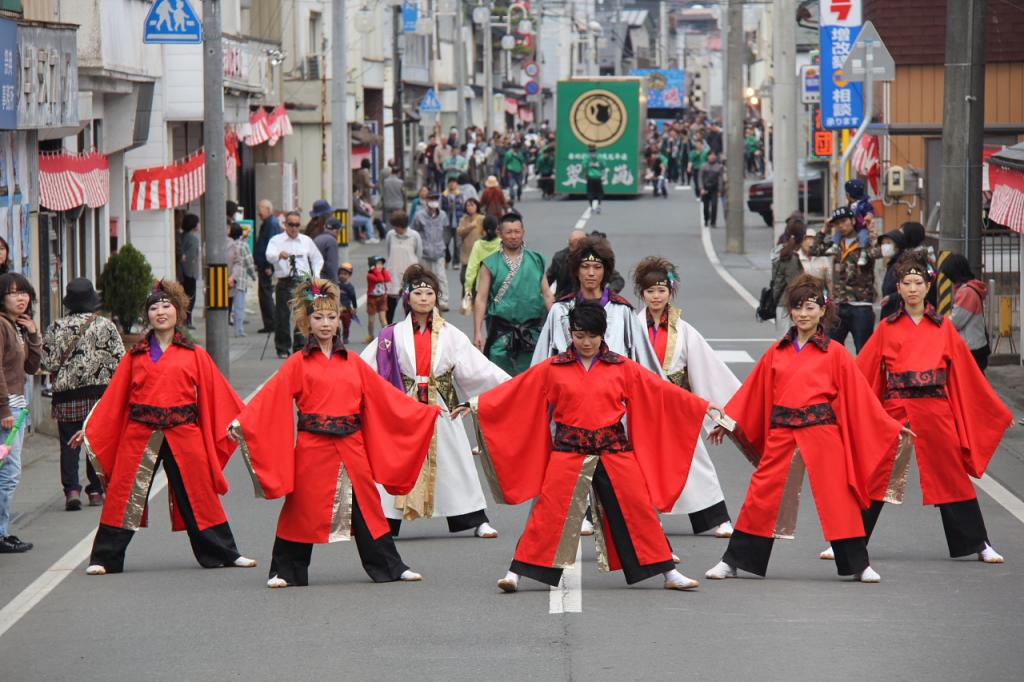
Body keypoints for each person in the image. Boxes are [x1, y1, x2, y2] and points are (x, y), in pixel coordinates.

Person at [476, 302, 719, 593]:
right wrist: (477, 405)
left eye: (592, 336)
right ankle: (515, 572)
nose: (586, 342)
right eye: (579, 335)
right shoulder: (553, 368)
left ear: (603, 334)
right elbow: (516, 391)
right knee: (549, 511)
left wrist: (701, 405)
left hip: (613, 447)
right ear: (570, 333)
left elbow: (661, 391)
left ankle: (669, 572)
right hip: (569, 448)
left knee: (637, 507)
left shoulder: (622, 366)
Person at [231, 278, 437, 588]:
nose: (325, 324)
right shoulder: (297, 364)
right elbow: (270, 398)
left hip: (351, 444)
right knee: (301, 506)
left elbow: (385, 398)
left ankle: (390, 567)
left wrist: (423, 412)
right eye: (318, 317)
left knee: (367, 505)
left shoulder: (353, 362)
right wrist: (242, 423)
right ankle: (286, 570)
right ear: (306, 322)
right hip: (313, 445)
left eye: (330, 317)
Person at [705, 275, 907, 584]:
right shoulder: (778, 351)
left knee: (839, 496)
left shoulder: (836, 353)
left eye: (810, 307)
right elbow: (753, 393)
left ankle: (857, 564)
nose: (803, 314)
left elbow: (860, 399)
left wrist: (891, 427)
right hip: (782, 431)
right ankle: (734, 561)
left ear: (823, 310)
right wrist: (728, 421)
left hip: (822, 430)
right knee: (762, 493)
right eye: (797, 307)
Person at [840, 253, 1012, 565]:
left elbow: (967, 376)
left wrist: (995, 408)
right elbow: (863, 374)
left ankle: (979, 543)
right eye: (906, 283)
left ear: (928, 285)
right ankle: (849, 542)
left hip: (935, 408)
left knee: (952, 475)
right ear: (899, 287)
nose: (913, 289)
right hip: (896, 409)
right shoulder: (887, 329)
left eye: (919, 282)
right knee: (876, 473)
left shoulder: (944, 328)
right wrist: (841, 403)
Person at [75, 280, 256, 575]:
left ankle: (224, 552)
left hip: (184, 430)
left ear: (178, 312)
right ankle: (104, 558)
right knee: (124, 493)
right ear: (147, 315)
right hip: (140, 431)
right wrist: (92, 427)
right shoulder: (135, 356)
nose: (160, 312)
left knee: (200, 492)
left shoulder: (194, 354)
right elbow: (115, 399)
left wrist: (242, 422)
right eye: (154, 307)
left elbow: (217, 393)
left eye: (166, 306)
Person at [362, 266, 508, 539]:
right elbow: (362, 370)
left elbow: (478, 369)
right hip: (404, 404)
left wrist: (507, 388)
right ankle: (386, 521)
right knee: (397, 460)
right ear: (407, 297)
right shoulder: (390, 336)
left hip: (440, 403)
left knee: (454, 460)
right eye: (418, 293)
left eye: (430, 293)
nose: (424, 298)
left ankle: (474, 517)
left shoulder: (451, 334)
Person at [634, 258, 738, 537]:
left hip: (677, 405)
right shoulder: (630, 327)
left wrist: (720, 417)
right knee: (635, 463)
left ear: (671, 292)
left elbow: (708, 369)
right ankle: (642, 518)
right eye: (650, 291)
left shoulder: (685, 330)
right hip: (639, 406)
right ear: (641, 294)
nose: (656, 296)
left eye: (661, 290)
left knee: (694, 459)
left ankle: (717, 518)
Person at [42, 278, 124, 510]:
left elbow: (47, 363)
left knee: (69, 444)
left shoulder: (56, 327)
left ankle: (72, 491)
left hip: (67, 396)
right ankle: (96, 491)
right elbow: (120, 360)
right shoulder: (105, 326)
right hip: (100, 397)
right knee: (95, 443)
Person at [532, 236, 660, 372]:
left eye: (597, 267)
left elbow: (646, 363)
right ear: (576, 270)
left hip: (614, 386)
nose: (591, 273)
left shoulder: (622, 311)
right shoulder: (560, 310)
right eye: (585, 267)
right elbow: (539, 364)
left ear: (605, 271)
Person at [473, 213, 553, 376]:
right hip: (501, 333)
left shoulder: (536, 260)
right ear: (499, 233)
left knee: (533, 381)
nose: (513, 236)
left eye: (517, 231)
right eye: (509, 232)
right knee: (501, 382)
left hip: (533, 333)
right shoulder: (490, 263)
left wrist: (557, 324)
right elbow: (481, 299)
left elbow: (547, 295)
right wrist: (478, 331)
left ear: (523, 232)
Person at [0, 274, 41, 553]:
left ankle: (2, 531)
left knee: (7, 471)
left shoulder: (17, 327)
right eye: (13, 293)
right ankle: (1, 533)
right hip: (7, 409)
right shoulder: (1, 326)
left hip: (18, 406)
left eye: (24, 292)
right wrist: (3, 408)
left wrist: (34, 334)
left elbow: (31, 367)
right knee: (8, 473)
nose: (21, 298)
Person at [817, 206, 877, 353]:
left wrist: (873, 233)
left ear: (852, 220)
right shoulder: (836, 244)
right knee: (831, 350)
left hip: (861, 305)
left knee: (864, 352)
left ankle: (861, 377)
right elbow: (814, 250)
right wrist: (824, 229)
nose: (841, 226)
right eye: (837, 223)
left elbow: (877, 253)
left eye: (844, 221)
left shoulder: (865, 241)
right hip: (838, 305)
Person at [266, 210, 325, 357]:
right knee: (282, 316)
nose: (294, 228)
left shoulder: (306, 240)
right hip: (285, 281)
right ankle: (282, 347)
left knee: (302, 315)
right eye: (291, 224)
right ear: (285, 224)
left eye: (297, 225)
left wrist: (315, 275)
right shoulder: (276, 240)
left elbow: (318, 258)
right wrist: (279, 255)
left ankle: (299, 347)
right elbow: (269, 255)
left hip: (303, 281)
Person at [939, 254, 990, 371]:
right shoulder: (971, 287)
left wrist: (939, 320)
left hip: (971, 348)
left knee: (972, 386)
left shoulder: (966, 292)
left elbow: (956, 322)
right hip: (977, 346)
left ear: (955, 273)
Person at [410, 192, 450, 311]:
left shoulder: (443, 215)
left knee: (441, 277)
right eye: (431, 199)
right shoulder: (419, 215)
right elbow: (413, 232)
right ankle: (420, 300)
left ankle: (443, 301)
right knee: (423, 278)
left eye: (435, 199)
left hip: (439, 251)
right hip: (424, 252)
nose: (434, 201)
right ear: (427, 201)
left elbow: (446, 231)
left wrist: (444, 245)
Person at [771, 219, 811, 330]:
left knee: (783, 341)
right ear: (802, 237)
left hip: (780, 302)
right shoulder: (791, 258)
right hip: (790, 306)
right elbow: (794, 286)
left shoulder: (779, 251)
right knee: (790, 342)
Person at [383, 211, 422, 324]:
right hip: (393, 274)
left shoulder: (414, 236)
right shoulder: (390, 235)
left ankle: (409, 330)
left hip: (410, 275)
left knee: (409, 305)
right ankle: (388, 331)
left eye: (397, 226)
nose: (395, 229)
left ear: (403, 225)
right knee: (390, 307)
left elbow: (418, 253)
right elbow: (388, 251)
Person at [227, 221, 257, 338]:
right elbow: (249, 262)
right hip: (241, 280)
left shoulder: (227, 244)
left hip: (227, 279)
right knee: (239, 306)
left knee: (228, 305)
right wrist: (254, 276)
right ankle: (238, 330)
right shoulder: (243, 245)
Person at [254, 200, 280, 333]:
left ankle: (271, 323)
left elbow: (272, 244)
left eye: (261, 209)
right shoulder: (268, 223)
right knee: (264, 293)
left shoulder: (271, 224)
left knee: (266, 293)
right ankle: (269, 322)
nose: (259, 212)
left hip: (266, 265)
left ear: (268, 209)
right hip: (263, 264)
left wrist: (269, 264)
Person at [463, 215, 501, 299]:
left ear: (483, 228)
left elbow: (471, 267)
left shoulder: (478, 245)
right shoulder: (502, 244)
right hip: (500, 285)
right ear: (497, 228)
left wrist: (468, 288)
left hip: (482, 286)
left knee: (482, 310)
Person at [546, 230, 588, 300]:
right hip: (563, 299)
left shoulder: (595, 258)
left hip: (587, 299)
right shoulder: (559, 258)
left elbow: (612, 278)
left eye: (579, 243)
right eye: (572, 243)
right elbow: (547, 280)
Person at [456, 197, 484, 293]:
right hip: (466, 255)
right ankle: (466, 304)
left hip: (479, 255)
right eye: (468, 205)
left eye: (472, 205)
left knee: (478, 281)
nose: (470, 207)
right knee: (464, 279)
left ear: (477, 206)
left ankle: (477, 303)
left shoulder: (482, 219)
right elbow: (460, 232)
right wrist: (470, 226)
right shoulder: (463, 219)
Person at [877, 228, 906, 319]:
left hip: (899, 314)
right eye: (883, 243)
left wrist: (891, 297)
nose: (884, 246)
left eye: (888, 243)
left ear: (898, 245)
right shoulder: (893, 262)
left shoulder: (903, 262)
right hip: (890, 312)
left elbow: (909, 288)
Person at [177, 213, 200, 329]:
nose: (199, 225)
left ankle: (184, 320)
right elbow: (191, 258)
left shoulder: (181, 236)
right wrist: (192, 274)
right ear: (193, 225)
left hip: (181, 272)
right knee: (191, 297)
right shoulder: (193, 239)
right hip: (189, 272)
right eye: (197, 223)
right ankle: (188, 321)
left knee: (183, 297)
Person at [440, 177, 466, 270]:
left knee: (457, 243)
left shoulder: (460, 195)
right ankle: (447, 258)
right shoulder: (444, 195)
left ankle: (456, 262)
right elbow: (441, 208)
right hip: (447, 222)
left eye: (454, 183)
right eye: (450, 183)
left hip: (458, 222)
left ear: (457, 184)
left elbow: (463, 208)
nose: (452, 185)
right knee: (445, 242)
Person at [365, 256, 391, 342]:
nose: (380, 266)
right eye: (378, 264)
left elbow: (387, 279)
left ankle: (387, 336)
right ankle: (370, 335)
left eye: (381, 264)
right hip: (372, 299)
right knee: (371, 320)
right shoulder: (370, 275)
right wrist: (376, 271)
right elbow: (379, 279)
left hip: (382, 298)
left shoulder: (382, 272)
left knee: (383, 319)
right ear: (372, 266)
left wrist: (383, 270)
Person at [698, 151, 724, 228]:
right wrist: (701, 188)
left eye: (714, 155)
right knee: (706, 206)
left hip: (714, 188)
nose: (712, 157)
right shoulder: (703, 166)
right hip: (705, 188)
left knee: (714, 205)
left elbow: (720, 179)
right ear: (708, 156)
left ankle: (713, 222)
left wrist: (720, 190)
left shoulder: (719, 167)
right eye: (710, 155)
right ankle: (706, 220)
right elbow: (700, 178)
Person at [314, 218, 342, 285]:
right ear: (337, 231)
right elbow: (332, 265)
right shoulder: (331, 241)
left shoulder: (317, 238)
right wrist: (335, 283)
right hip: (325, 280)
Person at [338, 262, 358, 345]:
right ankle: (337, 337)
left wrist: (355, 307)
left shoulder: (350, 287)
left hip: (346, 309)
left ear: (349, 275)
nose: (342, 276)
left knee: (346, 324)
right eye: (341, 274)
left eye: (345, 274)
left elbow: (353, 297)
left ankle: (345, 337)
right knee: (336, 324)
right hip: (337, 309)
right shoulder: (336, 285)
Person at [585, 145, 606, 213]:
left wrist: (586, 173)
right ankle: (599, 206)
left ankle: (591, 207)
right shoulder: (600, 157)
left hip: (590, 177)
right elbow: (604, 166)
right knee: (599, 192)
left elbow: (584, 166)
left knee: (590, 192)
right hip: (598, 177)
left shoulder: (587, 158)